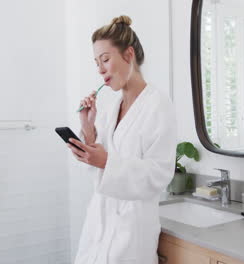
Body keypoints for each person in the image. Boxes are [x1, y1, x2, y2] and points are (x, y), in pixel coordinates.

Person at [66, 15, 177, 264]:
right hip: (99, 226)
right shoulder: (112, 106)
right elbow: (100, 164)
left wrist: (106, 162)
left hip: (131, 233)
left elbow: (158, 174)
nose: (100, 69)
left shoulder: (158, 105)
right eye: (96, 62)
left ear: (128, 55)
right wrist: (88, 128)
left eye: (105, 59)